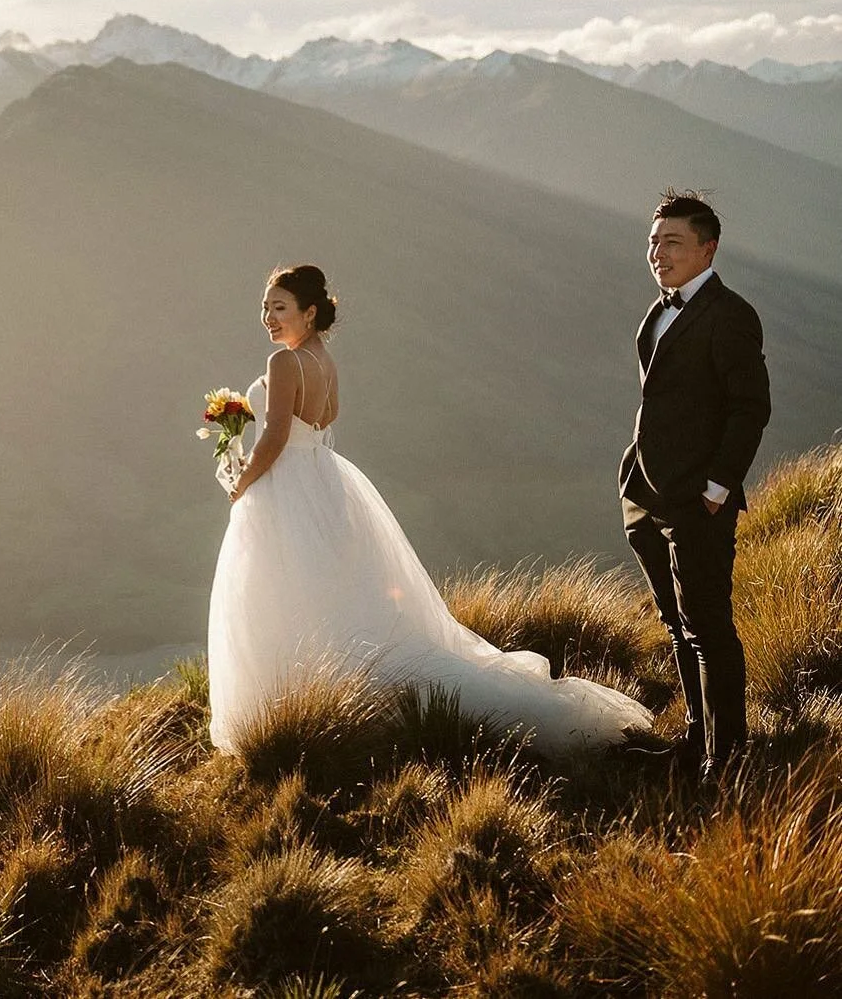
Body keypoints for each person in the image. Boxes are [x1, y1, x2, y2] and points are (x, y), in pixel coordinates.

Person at [207, 264, 652, 757]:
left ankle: (290, 706)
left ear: (309, 313)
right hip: (325, 484)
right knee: (329, 592)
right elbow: (322, 423)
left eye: (280, 307)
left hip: (286, 489)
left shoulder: (284, 363)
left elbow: (272, 437)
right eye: (266, 307)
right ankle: (323, 699)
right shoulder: (323, 360)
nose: (268, 317)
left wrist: (240, 481)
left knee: (282, 590)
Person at [619, 192, 770, 784]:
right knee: (676, 622)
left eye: (673, 242)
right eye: (654, 241)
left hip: (698, 500)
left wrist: (716, 488)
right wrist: (633, 472)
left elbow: (750, 407)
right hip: (645, 491)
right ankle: (694, 741)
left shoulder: (731, 314)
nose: (659, 252)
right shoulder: (659, 311)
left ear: (708, 248)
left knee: (708, 624)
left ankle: (727, 761)